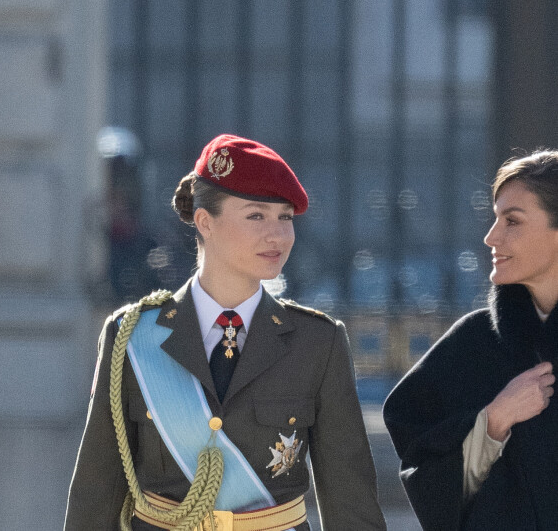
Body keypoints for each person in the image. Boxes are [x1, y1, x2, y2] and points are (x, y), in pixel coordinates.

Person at [64, 134, 386, 530]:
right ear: (205, 222)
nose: (278, 234)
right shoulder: (132, 337)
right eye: (256, 216)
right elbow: (96, 496)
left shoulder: (318, 342)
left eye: (285, 217)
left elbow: (350, 502)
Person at [383, 149, 558, 530]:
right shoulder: (473, 343)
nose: (491, 237)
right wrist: (494, 420)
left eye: (512, 221)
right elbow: (420, 453)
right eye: (495, 218)